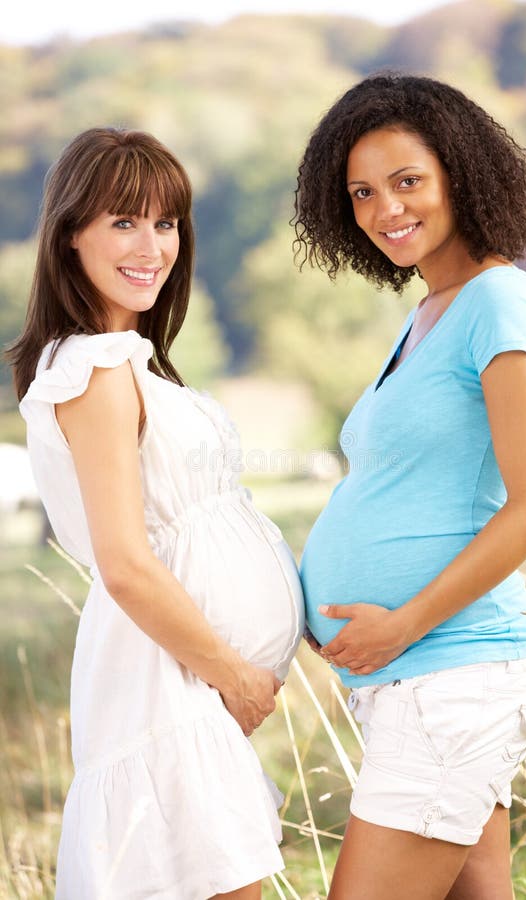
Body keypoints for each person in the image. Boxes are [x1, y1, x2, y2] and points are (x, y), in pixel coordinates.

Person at [8, 127, 304, 900]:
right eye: (123, 221)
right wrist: (235, 674)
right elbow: (127, 565)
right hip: (161, 682)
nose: (151, 245)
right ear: (70, 235)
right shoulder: (95, 370)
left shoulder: (126, 360)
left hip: (184, 683)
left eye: (165, 222)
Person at [293, 72, 526, 899]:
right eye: (363, 192)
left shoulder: (499, 300)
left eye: (408, 181)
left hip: (455, 672)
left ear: (461, 173)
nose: (386, 210)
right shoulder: (429, 312)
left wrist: (400, 625)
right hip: (413, 678)